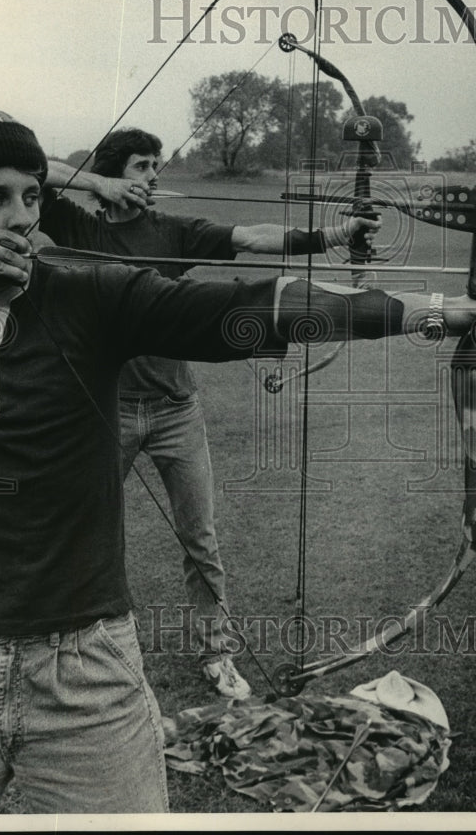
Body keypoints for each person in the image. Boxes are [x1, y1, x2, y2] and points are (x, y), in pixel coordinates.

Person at [0, 106, 476, 814]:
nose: (21, 219)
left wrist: (435, 310)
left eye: (33, 196)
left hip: (88, 670)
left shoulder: (87, 292)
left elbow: (249, 306)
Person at [40, 128, 381, 700]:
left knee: (200, 539)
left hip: (177, 409)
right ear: (113, 172)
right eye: (141, 166)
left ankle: (218, 653)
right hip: (106, 410)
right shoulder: (77, 226)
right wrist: (97, 184)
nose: (153, 175)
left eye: (156, 165)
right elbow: (27, 163)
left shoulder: (171, 230)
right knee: (81, 531)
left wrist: (335, 234)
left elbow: (250, 236)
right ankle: (65, 648)